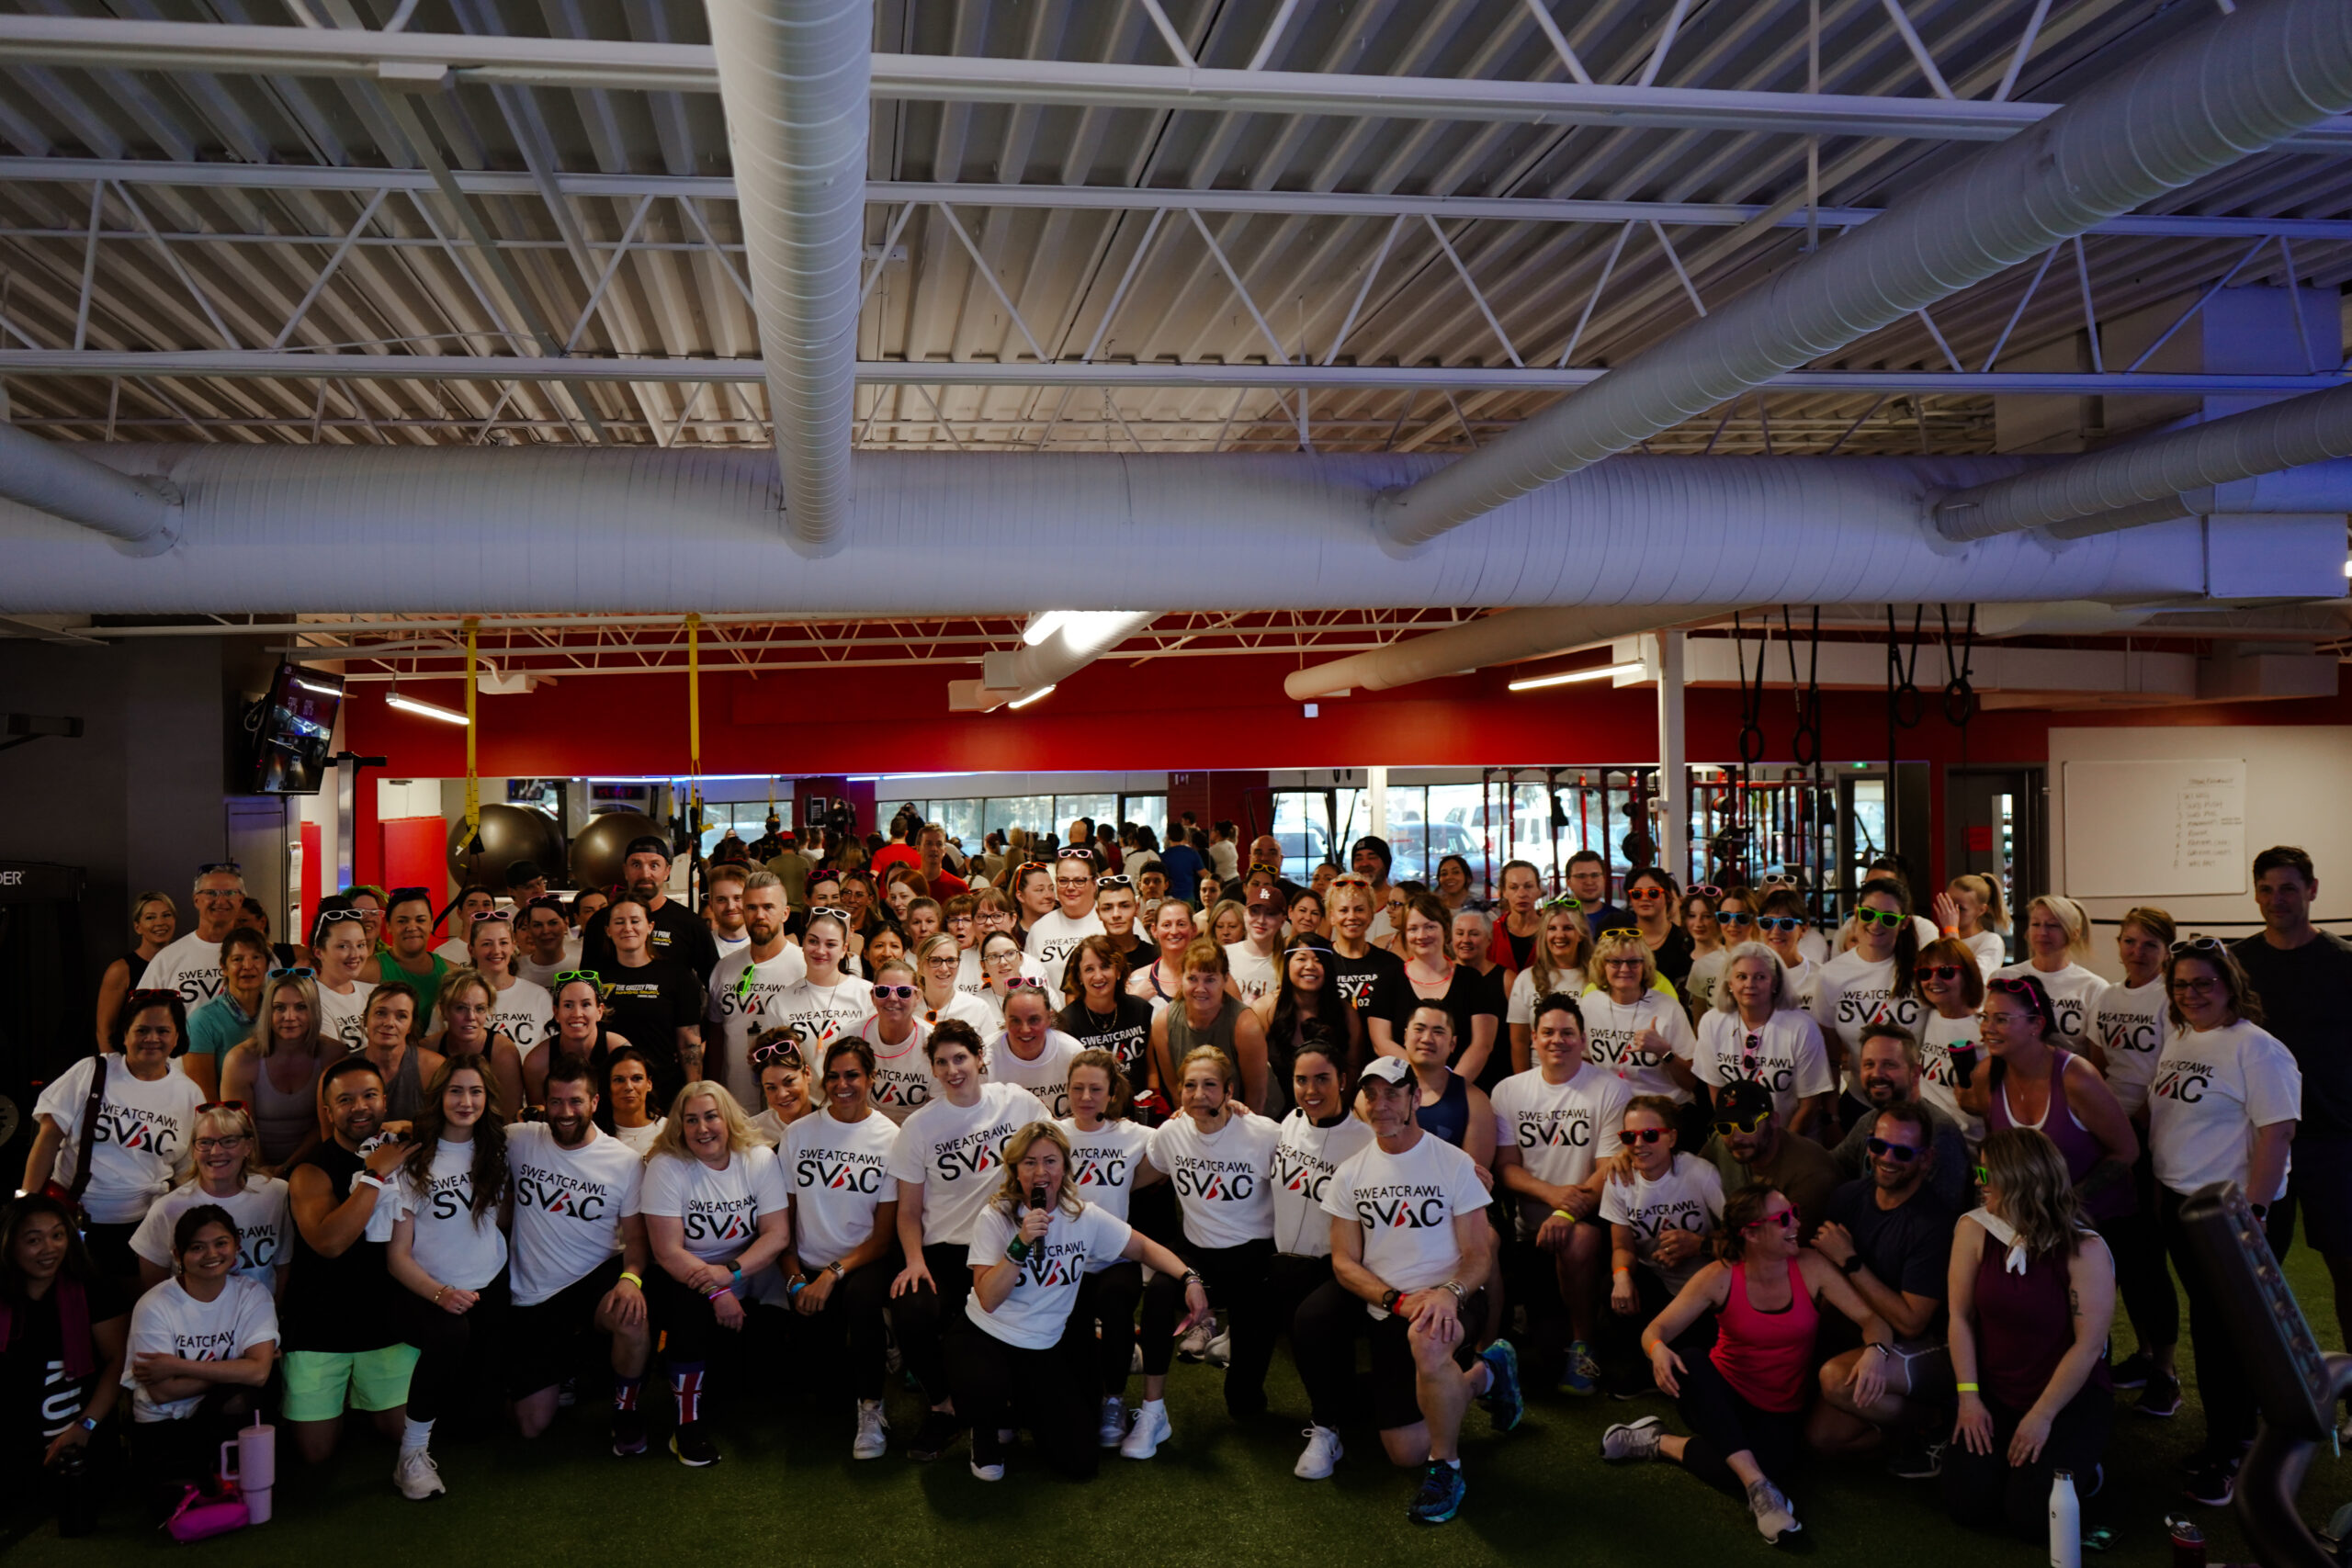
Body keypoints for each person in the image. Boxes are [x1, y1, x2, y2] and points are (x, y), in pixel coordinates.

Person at [1293, 1055, 1521, 1522]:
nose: (1381, 1105)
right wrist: (1395, 1300)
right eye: (1371, 1094)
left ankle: (1447, 1469)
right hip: (1392, 1311)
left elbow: (1479, 1255)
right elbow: (1344, 1262)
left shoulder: (1454, 1164)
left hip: (1454, 1299)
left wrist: (1448, 1293)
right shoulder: (1351, 1174)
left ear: (1416, 1098)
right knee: (1403, 1452)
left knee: (1428, 1335)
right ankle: (1488, 1373)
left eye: (1393, 1093)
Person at [1602, 1182, 1894, 1544]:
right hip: (1718, 1398)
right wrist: (1658, 1349)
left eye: (1795, 1213)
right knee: (1690, 1360)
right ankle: (1760, 1491)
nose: (1796, 1224)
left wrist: (1876, 1352)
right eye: (1783, 1218)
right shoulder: (1720, 1276)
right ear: (1752, 1234)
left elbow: (1873, 1320)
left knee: (1739, 1469)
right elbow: (1654, 1330)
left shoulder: (1811, 1266)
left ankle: (1658, 1441)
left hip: (1780, 1408)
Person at [951, 1120, 1209, 1483]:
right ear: (1014, 1170)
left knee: (1080, 1462)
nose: (1041, 1172)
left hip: (1041, 1346)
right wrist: (1020, 1244)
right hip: (987, 1336)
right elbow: (989, 1298)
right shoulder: (996, 1217)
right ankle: (985, 1427)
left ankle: (1017, 1413)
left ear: (1065, 1168)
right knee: (984, 1384)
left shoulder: (1081, 1216)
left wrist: (1189, 1278)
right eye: (1029, 1162)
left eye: (1051, 1161)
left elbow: (1143, 1246)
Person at [2149, 937, 2300, 1506]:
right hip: (2185, 1205)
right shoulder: (2182, 1036)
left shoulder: (2257, 1049)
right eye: (2181, 984)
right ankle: (2230, 1435)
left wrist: (2255, 1213)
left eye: (2204, 983)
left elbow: (2278, 1132)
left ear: (2230, 984)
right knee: (2213, 1329)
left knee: (2224, 1334)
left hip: (2234, 1214)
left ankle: (2231, 1451)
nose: (2192, 994)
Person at [888, 1021, 1051, 1461]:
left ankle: (1013, 1403)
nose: (952, 1069)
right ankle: (944, 1407)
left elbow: (1055, 1155)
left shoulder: (1016, 1103)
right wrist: (915, 1261)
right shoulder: (920, 1127)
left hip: (1005, 1243)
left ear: (980, 1058)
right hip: (946, 1247)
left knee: (1007, 1316)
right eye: (941, 1062)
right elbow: (907, 1211)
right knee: (912, 1309)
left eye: (960, 1058)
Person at [1943, 1128, 2116, 1540]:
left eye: (1986, 1174)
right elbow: (1959, 1316)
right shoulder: (1974, 1229)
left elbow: (2089, 1345)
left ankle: (2088, 1473)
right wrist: (1968, 1396)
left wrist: (2041, 1416)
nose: (1978, 1182)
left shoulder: (2084, 1249)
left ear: (2018, 1179)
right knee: (1967, 1505)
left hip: (2065, 1399)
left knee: (2033, 1518)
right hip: (1996, 1391)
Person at [1126, 1045, 1283, 1457]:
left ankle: (1232, 1350)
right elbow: (1136, 1178)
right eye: (1190, 1086)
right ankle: (1153, 1409)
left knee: (1245, 1404)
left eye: (1210, 1085)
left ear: (1229, 1090)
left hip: (1253, 1255)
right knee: (1159, 1295)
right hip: (1195, 1252)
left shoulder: (1265, 1133)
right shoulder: (1170, 1134)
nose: (1199, 1094)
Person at [2231, 847, 2352, 1359]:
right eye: (2266, 889)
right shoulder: (2236, 963)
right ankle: (2268, 1392)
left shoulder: (2343, 962)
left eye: (2288, 889)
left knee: (2347, 1266)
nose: (2276, 900)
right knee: (2256, 1268)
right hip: (2261, 1139)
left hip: (2333, 1139)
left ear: (2313, 890)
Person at [504, 1055, 651, 1454]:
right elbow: (461, 1133)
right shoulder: (518, 1138)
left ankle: (625, 1410)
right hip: (533, 1295)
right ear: (544, 1102)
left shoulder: (623, 1162)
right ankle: (569, 1364)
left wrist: (631, 1279)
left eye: (575, 1102)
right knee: (532, 1426)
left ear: (595, 1103)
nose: (565, 1112)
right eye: (555, 1102)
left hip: (593, 1281)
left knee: (632, 1315)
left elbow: (637, 1244)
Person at [641, 1081, 791, 1467]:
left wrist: (732, 1273)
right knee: (691, 1319)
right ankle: (685, 1426)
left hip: (744, 1273)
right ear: (679, 1126)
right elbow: (668, 1252)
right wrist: (715, 1289)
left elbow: (777, 1234)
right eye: (691, 1120)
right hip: (684, 1279)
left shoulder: (757, 1158)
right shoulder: (667, 1165)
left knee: (753, 1379)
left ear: (727, 1118)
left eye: (710, 1116)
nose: (702, 1128)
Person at [1804, 1101, 1958, 1470]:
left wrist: (1851, 1261)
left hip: (1928, 1346)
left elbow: (1911, 1323)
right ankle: (1905, 1435)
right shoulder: (1849, 1196)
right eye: (1878, 1146)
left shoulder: (1935, 1223)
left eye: (1902, 1151)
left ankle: (1938, 1424)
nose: (1886, 1158)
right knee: (1822, 1439)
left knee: (1836, 1380)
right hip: (1868, 1333)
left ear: (1926, 1159)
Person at [1492, 992, 1632, 1395]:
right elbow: (1506, 1168)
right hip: (1529, 1231)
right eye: (1548, 1032)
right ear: (1533, 1038)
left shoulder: (1608, 1089)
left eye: (1568, 1033)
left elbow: (1608, 1169)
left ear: (1583, 1039)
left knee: (1579, 1239)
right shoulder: (1509, 1091)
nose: (1558, 1040)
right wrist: (1552, 1197)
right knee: (1542, 1350)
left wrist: (1567, 1213)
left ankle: (1584, 1346)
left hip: (1586, 1223)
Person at [385, 1053, 510, 1498]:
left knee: (480, 1424)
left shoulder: (497, 1149)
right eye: (456, 1090)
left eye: (475, 1091)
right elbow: (397, 1257)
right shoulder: (413, 1155)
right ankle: (411, 1455)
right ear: (439, 1096)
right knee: (450, 1336)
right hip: (427, 1289)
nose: (466, 1100)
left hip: (490, 1285)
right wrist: (440, 1294)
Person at [280, 1057, 416, 1464]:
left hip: (384, 1320)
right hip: (319, 1324)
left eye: (369, 1095)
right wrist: (374, 1176)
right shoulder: (310, 1170)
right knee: (316, 1455)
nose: (360, 1107)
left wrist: (407, 1134)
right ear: (328, 1111)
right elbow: (330, 1243)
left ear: (385, 1102)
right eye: (345, 1099)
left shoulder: (407, 1151)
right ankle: (348, 1407)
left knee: (402, 1434)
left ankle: (366, 1405)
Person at [23, 990, 205, 1286]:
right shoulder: (92, 1071)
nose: (152, 1038)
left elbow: (187, 1171)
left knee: (136, 1313)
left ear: (176, 1038)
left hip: (145, 1230)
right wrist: (26, 1204)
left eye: (163, 1031)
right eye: (142, 1030)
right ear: (124, 1034)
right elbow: (47, 1139)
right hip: (74, 1224)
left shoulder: (190, 1094)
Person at [776, 1039, 902, 1461]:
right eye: (833, 1076)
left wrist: (832, 1273)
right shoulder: (797, 1135)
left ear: (871, 1079)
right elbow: (782, 1223)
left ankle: (872, 1406)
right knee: (824, 1395)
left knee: (862, 1302)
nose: (842, 1085)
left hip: (863, 1263)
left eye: (852, 1075)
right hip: (808, 1268)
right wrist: (795, 1278)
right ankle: (864, 1362)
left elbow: (883, 1238)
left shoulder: (889, 1137)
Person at [119, 1204, 277, 1517]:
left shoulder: (252, 1295)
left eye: (221, 1243)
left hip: (219, 1412)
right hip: (163, 1422)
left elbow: (259, 1373)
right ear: (178, 1255)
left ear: (236, 1246)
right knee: (171, 1505)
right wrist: (236, 1369)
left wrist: (178, 1366)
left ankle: (229, 1478)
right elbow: (162, 1393)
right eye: (197, 1247)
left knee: (250, 1395)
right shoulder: (154, 1305)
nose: (211, 1254)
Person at [1267, 1036, 1377, 1476]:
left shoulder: (1365, 1141)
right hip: (1284, 1263)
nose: (1311, 1089)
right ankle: (1340, 1406)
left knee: (1311, 1326)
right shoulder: (1287, 1123)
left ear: (1344, 1081)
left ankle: (1326, 1429)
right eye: (1301, 1080)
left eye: (1322, 1079)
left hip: (1339, 1269)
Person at [1957, 974, 2138, 1236]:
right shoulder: (1988, 1074)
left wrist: (2067, 1203)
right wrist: (1988, 1187)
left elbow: (2128, 1151)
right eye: (1985, 1017)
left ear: (2036, 1025)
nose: (1988, 1028)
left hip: (2103, 1222)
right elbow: (1995, 1157)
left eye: (2002, 1020)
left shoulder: (2076, 1077)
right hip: (2036, 1226)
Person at [2089, 906, 2183, 1413]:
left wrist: (2138, 1123)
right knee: (2119, 1252)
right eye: (2129, 941)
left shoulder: (2171, 997)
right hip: (2109, 1136)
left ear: (2166, 949)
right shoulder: (2107, 995)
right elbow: (2097, 1061)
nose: (2137, 952)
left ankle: (2166, 1371)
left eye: (2149, 944)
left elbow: (2170, 1067)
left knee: (2148, 1256)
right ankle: (2144, 1353)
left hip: (2149, 1138)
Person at [1058, 1048, 1164, 1447]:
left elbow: (1182, 1143)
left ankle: (1115, 1399)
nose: (1086, 1097)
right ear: (1067, 1090)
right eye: (1078, 1088)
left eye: (1095, 1089)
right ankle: (1084, 1395)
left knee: (1119, 1306)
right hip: (1065, 1257)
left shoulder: (1134, 1135)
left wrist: (1232, 1108)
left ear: (1111, 1092)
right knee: (1074, 1327)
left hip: (1116, 1253)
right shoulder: (1054, 1132)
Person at [0, 1194, 130, 1492]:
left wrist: (86, 1426)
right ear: (10, 1244)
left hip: (82, 1438)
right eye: (34, 1240)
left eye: (58, 1235)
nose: (49, 1249)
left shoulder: (93, 1287)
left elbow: (117, 1360)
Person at [1600, 1095, 1725, 1342]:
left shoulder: (1700, 1173)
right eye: (1628, 1136)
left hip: (1708, 1280)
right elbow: (1622, 1247)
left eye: (1649, 1135)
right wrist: (1622, 1275)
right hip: (1657, 1282)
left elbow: (1738, 1235)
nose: (1637, 1144)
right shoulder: (1619, 1180)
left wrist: (1698, 1244)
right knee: (1612, 1286)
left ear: (1672, 1138)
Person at [130, 1102, 288, 1292]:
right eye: (205, 1142)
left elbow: (283, 1267)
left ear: (248, 1146)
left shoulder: (277, 1194)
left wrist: (273, 1315)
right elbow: (154, 1288)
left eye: (229, 1141)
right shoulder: (167, 1208)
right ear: (194, 1150)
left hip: (259, 1316)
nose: (216, 1152)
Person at [1809, 876, 1927, 1128]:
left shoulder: (1923, 970)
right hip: (1858, 1103)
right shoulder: (1831, 974)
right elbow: (1829, 1055)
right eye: (1868, 914)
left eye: (1888, 918)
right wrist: (1832, 1115)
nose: (1876, 924)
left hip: (1917, 1105)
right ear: (1856, 914)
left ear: (1904, 923)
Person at [1694, 942, 1835, 1136]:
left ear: (1775, 983)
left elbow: (1809, 1104)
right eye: (1741, 977)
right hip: (1736, 1138)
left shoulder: (1802, 1028)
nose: (1749, 984)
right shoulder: (1711, 1023)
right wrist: (1737, 1137)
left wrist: (1780, 1147)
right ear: (1730, 983)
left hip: (1791, 1137)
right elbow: (1717, 1093)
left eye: (1760, 977)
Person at [1830, 1025, 1972, 1213]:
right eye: (1869, 1064)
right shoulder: (1869, 1120)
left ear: (1915, 1073)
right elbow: (1831, 1166)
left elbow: (1941, 1216)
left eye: (1889, 1065)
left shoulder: (1939, 1132)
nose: (1877, 1074)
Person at [1368, 893, 1501, 1084]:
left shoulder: (1472, 980)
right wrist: (1421, 1084)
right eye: (1413, 928)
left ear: (1445, 929)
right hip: (1403, 1090)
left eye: (1430, 927)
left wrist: (1450, 1088)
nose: (1421, 936)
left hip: (1462, 1089)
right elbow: (1382, 1043)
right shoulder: (1389, 979)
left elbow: (1482, 1045)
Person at [704, 871, 808, 1102]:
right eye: (751, 907)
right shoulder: (724, 968)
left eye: (768, 907)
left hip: (790, 1102)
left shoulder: (804, 966)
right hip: (736, 1100)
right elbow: (716, 1036)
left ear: (785, 913)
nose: (759, 915)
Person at [1577, 930, 1699, 1122]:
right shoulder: (1589, 1004)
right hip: (1613, 1110)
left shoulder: (1668, 1009)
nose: (1625, 969)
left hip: (1666, 1112)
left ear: (1645, 966)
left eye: (1633, 962)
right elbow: (1585, 1062)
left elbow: (1692, 1082)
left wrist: (1664, 1052)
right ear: (1602, 966)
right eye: (1615, 962)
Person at [594, 895, 707, 1103]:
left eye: (635, 921)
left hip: (665, 1088)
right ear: (608, 930)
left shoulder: (678, 976)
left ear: (650, 926)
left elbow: (689, 1041)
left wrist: (694, 1091)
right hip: (611, 1090)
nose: (628, 928)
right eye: (619, 922)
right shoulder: (596, 980)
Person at [1700, 1079, 1839, 1240]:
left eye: (1747, 1125)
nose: (1735, 1137)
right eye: (1725, 1127)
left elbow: (1787, 1246)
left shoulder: (1810, 1174)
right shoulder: (1721, 1143)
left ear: (1773, 1120)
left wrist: (1705, 1245)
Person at [1147, 938, 1270, 1112]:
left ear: (1225, 979)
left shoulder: (1245, 1025)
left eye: (1210, 980)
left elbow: (1257, 1096)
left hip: (1249, 1115)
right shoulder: (1163, 1023)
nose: (1200, 988)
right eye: (1192, 979)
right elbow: (1177, 1091)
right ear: (1181, 978)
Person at [581, 836, 720, 988]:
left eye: (654, 865)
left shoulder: (690, 924)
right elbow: (586, 983)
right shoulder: (600, 922)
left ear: (667, 872)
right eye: (636, 865)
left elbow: (714, 985)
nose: (645, 874)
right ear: (625, 870)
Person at [1255, 941, 1364, 1118]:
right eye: (1301, 959)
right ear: (1287, 964)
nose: (1310, 966)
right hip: (1273, 1116)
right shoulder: (1265, 1009)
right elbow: (1250, 1070)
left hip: (1329, 1117)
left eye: (1318, 960)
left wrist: (1334, 1113)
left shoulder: (1346, 1014)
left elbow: (1353, 1068)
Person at [1059, 935, 1156, 1103]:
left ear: (1118, 971)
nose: (1098, 976)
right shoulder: (1067, 1022)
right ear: (1079, 976)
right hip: (1091, 1113)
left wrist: (1154, 1102)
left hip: (1139, 1112)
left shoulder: (1141, 1009)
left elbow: (1151, 1069)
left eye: (1105, 966)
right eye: (1089, 969)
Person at [181, 927, 273, 1100]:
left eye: (256, 958)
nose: (248, 966)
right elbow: (206, 1101)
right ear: (224, 967)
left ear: (267, 965)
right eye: (237, 959)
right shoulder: (202, 1021)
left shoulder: (278, 1014)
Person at [430, 967, 529, 1126]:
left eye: (480, 1009)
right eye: (460, 1008)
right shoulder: (429, 1048)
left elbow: (509, 1118)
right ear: (444, 1010)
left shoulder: (503, 1053)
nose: (471, 1017)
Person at [1914, 936, 1988, 1144]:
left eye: (1946, 972)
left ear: (1967, 975)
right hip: (1924, 1138)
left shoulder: (1985, 1029)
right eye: (1925, 973)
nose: (1933, 981)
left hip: (1968, 1144)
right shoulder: (1927, 1016)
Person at [139, 863, 244, 1007]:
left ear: (241, 900)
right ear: (196, 900)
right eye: (211, 893)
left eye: (230, 893)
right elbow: (142, 1015)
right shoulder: (167, 958)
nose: (220, 901)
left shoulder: (261, 955)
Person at [523, 972, 631, 1110]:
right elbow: (539, 1120)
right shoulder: (537, 1062)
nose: (577, 1014)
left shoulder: (618, 1050)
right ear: (556, 1013)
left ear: (599, 1011)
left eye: (586, 1004)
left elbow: (632, 1110)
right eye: (568, 1005)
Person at [1506, 897, 1590, 1073]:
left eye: (1568, 928)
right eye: (1552, 929)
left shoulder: (1598, 978)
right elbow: (1519, 1042)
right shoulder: (1526, 979)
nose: (1559, 935)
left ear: (1581, 934)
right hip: (1539, 1077)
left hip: (1588, 1078)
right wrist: (1523, 1084)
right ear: (1544, 935)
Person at [96, 889, 178, 1054]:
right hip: (131, 1064)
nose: (160, 922)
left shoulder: (183, 963)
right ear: (137, 926)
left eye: (166, 915)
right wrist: (115, 1072)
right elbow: (104, 1030)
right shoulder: (120, 970)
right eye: (150, 917)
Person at [986, 987, 1085, 1119]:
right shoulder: (986, 1057)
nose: (1025, 1029)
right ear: (1005, 1018)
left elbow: (1088, 1109)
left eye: (1034, 1020)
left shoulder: (1072, 1051)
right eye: (1015, 1020)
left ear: (1049, 1018)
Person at [467, 911, 553, 1060]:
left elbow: (551, 1052)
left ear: (513, 946)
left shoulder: (538, 996)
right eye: (487, 944)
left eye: (503, 943)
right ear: (471, 950)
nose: (496, 951)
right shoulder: (458, 997)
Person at [860, 957, 937, 1120]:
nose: (893, 998)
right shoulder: (852, 1034)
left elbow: (935, 1112)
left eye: (903, 991)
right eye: (883, 991)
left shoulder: (934, 1042)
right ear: (873, 996)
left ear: (918, 996)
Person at [357, 983, 444, 1130]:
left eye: (401, 1016)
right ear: (366, 1018)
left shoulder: (435, 1068)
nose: (389, 1023)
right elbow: (333, 1143)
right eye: (380, 1013)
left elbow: (448, 1130)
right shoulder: (340, 1073)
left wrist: (410, 1129)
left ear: (411, 1026)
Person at [363, 887, 455, 1023]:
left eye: (420, 920)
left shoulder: (452, 973)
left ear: (431, 924)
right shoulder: (367, 971)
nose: (412, 927)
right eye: (402, 921)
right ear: (388, 926)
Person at [311, 898, 377, 1051]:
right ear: (319, 952)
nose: (355, 954)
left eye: (361, 945)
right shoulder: (310, 1001)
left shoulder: (375, 993)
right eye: (343, 946)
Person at [1623, 867, 1695, 992]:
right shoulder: (1620, 940)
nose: (1644, 898)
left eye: (1653, 893)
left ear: (1667, 897)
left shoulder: (1686, 941)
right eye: (1637, 894)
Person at [1224, 881, 1287, 1009]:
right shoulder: (1222, 955)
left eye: (1270, 913)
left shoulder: (1289, 963)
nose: (1261, 920)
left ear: (1282, 921)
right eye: (1255, 911)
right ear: (1244, 914)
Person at [1933, 873, 2010, 977]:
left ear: (1981, 910)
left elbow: (1971, 980)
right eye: (1948, 904)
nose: (1951, 912)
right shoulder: (1936, 938)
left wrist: (1951, 931)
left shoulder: (1991, 941)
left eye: (1960, 908)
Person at [1129, 897, 1200, 1009]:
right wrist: (1135, 1000)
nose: (1174, 931)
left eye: (1181, 924)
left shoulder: (1214, 974)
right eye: (1166, 925)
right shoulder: (1138, 979)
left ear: (1194, 929)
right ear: (1154, 930)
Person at [915, 932, 993, 1032]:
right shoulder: (909, 1008)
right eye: (935, 961)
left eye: (951, 960)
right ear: (920, 967)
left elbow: (992, 1047)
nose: (944, 968)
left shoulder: (978, 1008)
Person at [746, 1031, 816, 1142]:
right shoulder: (750, 1132)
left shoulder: (835, 1124)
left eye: (789, 1082)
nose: (782, 1094)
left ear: (807, 1074)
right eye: (771, 1088)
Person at [605, 1047, 668, 1156]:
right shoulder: (594, 1135)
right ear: (608, 1087)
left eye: (637, 1078)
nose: (628, 1087)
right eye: (619, 1080)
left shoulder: (669, 1130)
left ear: (649, 1084)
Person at [1680, 886, 1731, 1013]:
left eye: (1707, 916)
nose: (1698, 923)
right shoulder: (1677, 957)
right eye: (1692, 915)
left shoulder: (1729, 959)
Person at [514, 895, 581, 991]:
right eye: (538, 925)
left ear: (566, 923)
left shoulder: (580, 966)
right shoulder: (515, 969)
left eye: (553, 923)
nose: (546, 931)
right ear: (529, 928)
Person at [1566, 850, 1631, 937]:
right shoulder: (1557, 920)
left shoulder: (1622, 921)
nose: (1589, 882)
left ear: (1604, 879)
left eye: (1595, 875)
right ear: (1568, 882)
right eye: (1581, 876)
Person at [432, 887, 499, 966]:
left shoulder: (502, 949)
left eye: (486, 904)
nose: (480, 910)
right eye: (472, 904)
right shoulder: (442, 953)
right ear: (459, 913)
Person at [703, 863, 752, 960]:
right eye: (721, 899)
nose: (730, 907)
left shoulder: (767, 947)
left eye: (737, 898)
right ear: (711, 905)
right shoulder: (701, 948)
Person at [1156, 822, 1205, 904]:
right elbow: (1204, 874)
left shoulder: (1163, 856)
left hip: (1170, 897)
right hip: (1188, 896)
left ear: (1168, 836)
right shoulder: (1192, 853)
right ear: (1183, 835)